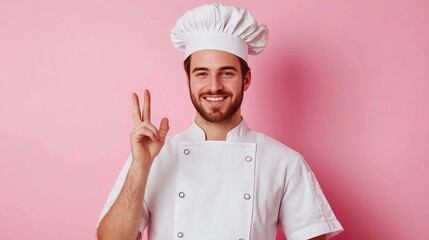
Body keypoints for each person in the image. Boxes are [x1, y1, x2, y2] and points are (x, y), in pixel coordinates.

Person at [97, 3, 343, 240]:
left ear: (246, 79)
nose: (214, 86)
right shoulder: (153, 158)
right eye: (202, 73)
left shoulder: (285, 163)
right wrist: (140, 167)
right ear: (188, 80)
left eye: (226, 72)